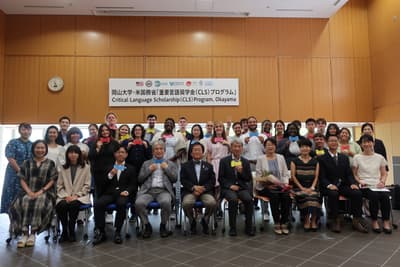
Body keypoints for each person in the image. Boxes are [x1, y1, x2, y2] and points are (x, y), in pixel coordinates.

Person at [9, 140, 57, 248]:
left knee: (39, 202)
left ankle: (33, 233)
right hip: (28, 191)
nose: (40, 150)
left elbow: (52, 180)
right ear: (33, 149)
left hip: (46, 192)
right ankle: (24, 233)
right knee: (21, 203)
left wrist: (41, 191)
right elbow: (22, 179)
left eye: (42, 148)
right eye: (37, 148)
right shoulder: (26, 162)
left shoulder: (50, 163)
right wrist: (29, 192)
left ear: (46, 149)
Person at [318, 135, 368, 233]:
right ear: (327, 143)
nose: (333, 143)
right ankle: (335, 219)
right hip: (328, 186)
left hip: (343, 185)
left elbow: (349, 174)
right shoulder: (322, 158)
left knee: (357, 192)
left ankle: (356, 219)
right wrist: (329, 185)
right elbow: (322, 177)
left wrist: (353, 183)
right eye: (331, 141)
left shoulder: (344, 158)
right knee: (333, 194)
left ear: (338, 143)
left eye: (335, 141)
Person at [92, 145, 137, 245]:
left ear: (126, 154)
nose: (120, 154)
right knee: (98, 204)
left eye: (122, 152)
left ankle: (117, 231)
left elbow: (133, 184)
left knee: (122, 204)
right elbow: (101, 183)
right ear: (114, 154)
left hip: (123, 194)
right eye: (118, 152)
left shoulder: (131, 168)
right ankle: (101, 231)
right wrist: (110, 174)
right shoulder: (107, 167)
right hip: (109, 193)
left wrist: (127, 191)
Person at [135, 141, 178, 238]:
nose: (159, 151)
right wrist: (149, 170)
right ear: (153, 152)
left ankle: (163, 226)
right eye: (156, 149)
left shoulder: (170, 163)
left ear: (164, 151)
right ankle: (147, 225)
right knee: (139, 203)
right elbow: (140, 179)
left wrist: (166, 169)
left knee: (166, 202)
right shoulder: (146, 163)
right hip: (148, 191)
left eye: (161, 149)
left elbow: (174, 179)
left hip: (163, 191)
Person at [353, 134, 391, 234]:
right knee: (373, 196)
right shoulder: (357, 157)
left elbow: (384, 173)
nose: (367, 144)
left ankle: (386, 221)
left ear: (373, 143)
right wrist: (360, 181)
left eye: (369, 141)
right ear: (361, 144)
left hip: (377, 185)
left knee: (385, 196)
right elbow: (355, 174)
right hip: (365, 185)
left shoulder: (379, 157)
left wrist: (382, 182)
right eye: (364, 142)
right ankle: (374, 221)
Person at [219, 139, 255, 236]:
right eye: (235, 146)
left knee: (248, 199)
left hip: (241, 188)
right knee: (233, 200)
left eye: (239, 146)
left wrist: (241, 172)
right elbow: (221, 178)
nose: (237, 148)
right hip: (228, 188)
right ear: (231, 148)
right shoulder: (224, 161)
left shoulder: (245, 162)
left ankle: (249, 226)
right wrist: (230, 186)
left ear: (242, 148)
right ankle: (232, 227)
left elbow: (248, 179)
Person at [56, 145, 91, 242]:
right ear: (67, 155)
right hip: (65, 196)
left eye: (75, 152)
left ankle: (71, 230)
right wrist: (66, 196)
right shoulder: (63, 167)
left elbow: (87, 185)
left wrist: (76, 196)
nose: (73, 155)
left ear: (79, 155)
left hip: (80, 196)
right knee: (61, 205)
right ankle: (64, 231)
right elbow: (59, 185)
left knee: (74, 204)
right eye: (70, 152)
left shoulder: (86, 167)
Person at [256, 138, 291, 235]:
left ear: (275, 146)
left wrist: (284, 184)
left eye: (272, 144)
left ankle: (284, 222)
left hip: (281, 185)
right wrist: (268, 183)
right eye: (268, 145)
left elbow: (285, 173)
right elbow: (259, 175)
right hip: (265, 187)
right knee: (274, 196)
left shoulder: (281, 157)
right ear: (264, 147)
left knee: (286, 196)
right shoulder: (260, 159)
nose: (270, 147)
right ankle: (276, 222)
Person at [181, 142, 217, 234]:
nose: (197, 152)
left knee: (212, 203)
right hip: (190, 191)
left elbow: (212, 181)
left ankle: (205, 219)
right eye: (195, 150)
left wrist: (203, 188)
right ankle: (192, 220)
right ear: (191, 153)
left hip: (205, 191)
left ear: (202, 152)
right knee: (186, 203)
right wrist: (193, 188)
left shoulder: (209, 166)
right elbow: (183, 180)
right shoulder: (185, 166)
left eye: (199, 150)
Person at [1, 123, 33, 214]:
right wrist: (19, 171)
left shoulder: (32, 144)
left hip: (27, 174)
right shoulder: (13, 142)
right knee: (11, 195)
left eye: (28, 129)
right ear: (19, 131)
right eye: (23, 129)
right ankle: (11, 221)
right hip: (13, 173)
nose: (26, 131)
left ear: (31, 131)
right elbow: (10, 157)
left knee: (25, 196)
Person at [290, 139, 321, 231]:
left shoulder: (315, 161)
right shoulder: (294, 161)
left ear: (310, 148)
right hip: (299, 187)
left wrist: (312, 187)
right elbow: (293, 177)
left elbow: (316, 177)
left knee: (315, 196)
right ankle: (307, 220)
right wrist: (302, 188)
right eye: (302, 147)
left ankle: (314, 220)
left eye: (307, 147)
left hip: (312, 187)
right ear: (300, 148)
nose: (305, 148)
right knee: (306, 197)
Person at [89, 124, 120, 200]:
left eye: (106, 130)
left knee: (111, 194)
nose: (105, 132)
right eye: (102, 130)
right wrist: (98, 148)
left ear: (109, 131)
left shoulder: (115, 143)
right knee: (99, 196)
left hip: (112, 172)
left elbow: (120, 159)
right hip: (98, 174)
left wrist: (116, 168)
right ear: (100, 132)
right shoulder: (95, 143)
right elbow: (90, 157)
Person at [206, 121, 231, 217]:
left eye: (220, 126)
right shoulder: (209, 140)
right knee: (215, 187)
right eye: (216, 127)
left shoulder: (227, 139)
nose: (218, 128)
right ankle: (216, 208)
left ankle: (219, 205)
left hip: (225, 164)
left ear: (223, 128)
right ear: (214, 129)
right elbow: (208, 154)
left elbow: (233, 152)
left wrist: (227, 144)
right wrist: (209, 167)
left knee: (222, 187)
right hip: (214, 164)